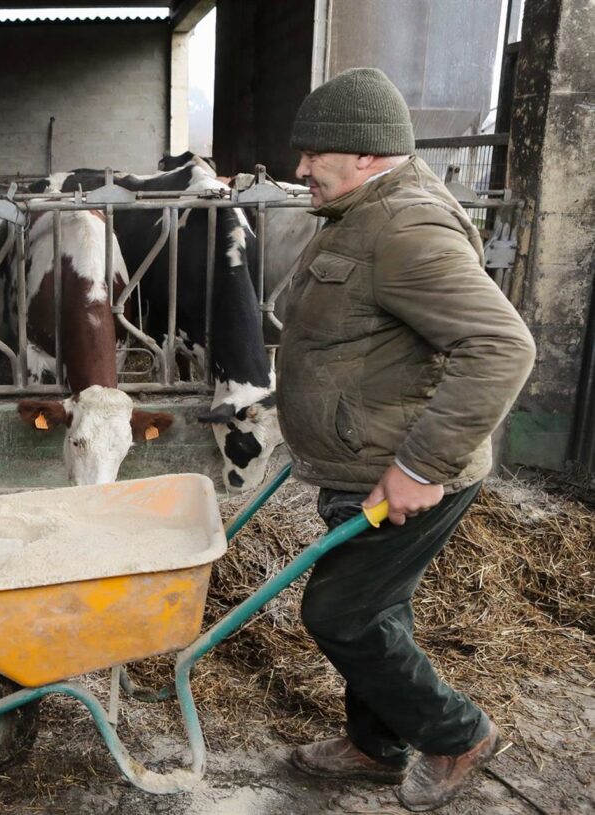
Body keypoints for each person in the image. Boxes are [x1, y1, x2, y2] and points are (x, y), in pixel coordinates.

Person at [278, 67, 536, 812]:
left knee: (341, 614)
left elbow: (501, 346)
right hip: (362, 458)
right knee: (375, 610)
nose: (300, 169)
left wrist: (420, 466)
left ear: (363, 154)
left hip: (403, 471)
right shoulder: (366, 207)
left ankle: (456, 734)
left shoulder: (406, 227)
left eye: (312, 153)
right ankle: (376, 744)